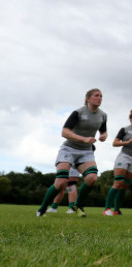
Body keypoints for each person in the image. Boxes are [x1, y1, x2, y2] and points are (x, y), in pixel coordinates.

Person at [36, 88, 107, 217]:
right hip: (69, 149)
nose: (100, 98)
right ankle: (42, 209)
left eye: (101, 96)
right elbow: (65, 132)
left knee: (92, 178)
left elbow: (103, 130)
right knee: (61, 182)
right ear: (88, 98)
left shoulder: (102, 115)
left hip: (85, 151)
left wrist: (104, 135)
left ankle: (77, 205)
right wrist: (84, 139)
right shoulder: (78, 113)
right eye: (96, 96)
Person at [103, 109, 132, 216]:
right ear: (131, 119)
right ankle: (106, 209)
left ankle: (117, 210)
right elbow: (114, 143)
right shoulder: (124, 129)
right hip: (124, 156)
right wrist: (127, 142)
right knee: (118, 182)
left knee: (124, 185)